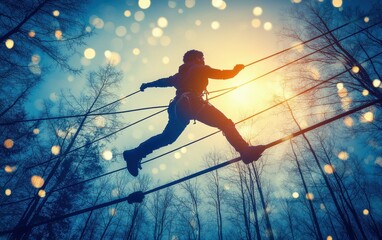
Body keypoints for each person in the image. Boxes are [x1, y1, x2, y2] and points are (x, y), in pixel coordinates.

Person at [124, 50, 266, 177]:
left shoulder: (178, 75)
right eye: (202, 58)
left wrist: (147, 85)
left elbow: (162, 82)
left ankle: (135, 154)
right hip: (192, 102)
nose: (204, 60)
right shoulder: (199, 68)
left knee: (167, 137)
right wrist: (236, 70)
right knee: (225, 123)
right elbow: (221, 74)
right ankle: (244, 150)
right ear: (197, 59)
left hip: (176, 108)